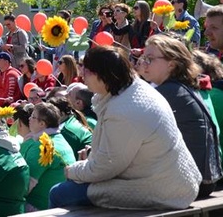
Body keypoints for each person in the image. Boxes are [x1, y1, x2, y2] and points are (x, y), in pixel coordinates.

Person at [49, 45, 201, 210]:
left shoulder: (123, 110)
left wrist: (72, 170)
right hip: (171, 181)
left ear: (102, 74)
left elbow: (105, 167)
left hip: (160, 189)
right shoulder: (132, 90)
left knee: (58, 193)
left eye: (86, 70)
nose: (81, 74)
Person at [140, 33, 222, 198]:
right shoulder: (179, 88)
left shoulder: (168, 92)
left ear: (171, 64)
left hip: (189, 183)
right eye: (143, 57)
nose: (143, 63)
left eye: (150, 59)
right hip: (201, 180)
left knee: (92, 190)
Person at [18, 103, 75, 211]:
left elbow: (25, 185)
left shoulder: (43, 145)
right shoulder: (59, 139)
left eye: (33, 117)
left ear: (42, 124)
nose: (29, 119)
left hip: (42, 208)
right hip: (63, 205)